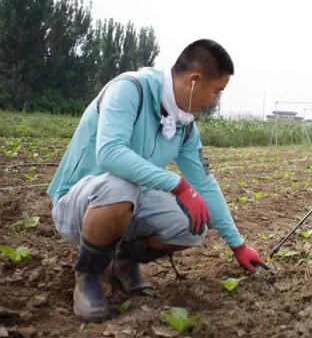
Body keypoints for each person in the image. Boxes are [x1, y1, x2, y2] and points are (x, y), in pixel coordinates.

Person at [48, 39, 267, 321]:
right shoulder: (129, 90)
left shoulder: (184, 126)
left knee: (194, 223)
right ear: (194, 80)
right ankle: (88, 276)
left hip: (129, 202)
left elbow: (205, 184)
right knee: (120, 184)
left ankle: (124, 261)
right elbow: (110, 153)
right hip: (79, 204)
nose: (214, 100)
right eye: (216, 91)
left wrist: (238, 245)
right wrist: (177, 184)